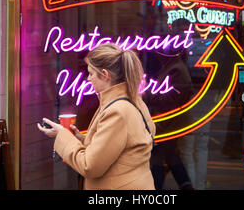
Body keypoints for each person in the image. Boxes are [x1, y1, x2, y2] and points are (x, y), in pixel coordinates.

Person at [37, 43, 156, 190]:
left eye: (91, 73)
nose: (88, 79)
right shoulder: (132, 100)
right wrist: (80, 139)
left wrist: (62, 136)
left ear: (105, 75)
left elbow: (90, 166)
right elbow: (119, 148)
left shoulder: (117, 111)